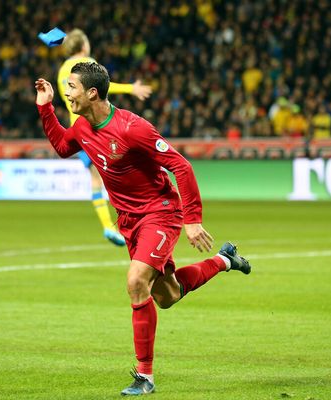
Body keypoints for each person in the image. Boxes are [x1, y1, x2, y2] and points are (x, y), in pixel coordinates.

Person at [34, 61, 252, 396]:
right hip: (129, 222)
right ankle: (225, 260)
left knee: (136, 281)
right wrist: (46, 107)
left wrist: (192, 219)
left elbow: (181, 164)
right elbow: (64, 148)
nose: (67, 92)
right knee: (168, 295)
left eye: (72, 87)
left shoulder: (132, 128)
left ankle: (144, 377)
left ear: (92, 93)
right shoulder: (80, 126)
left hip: (160, 213)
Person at [58, 29, 153, 247]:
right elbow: (101, 86)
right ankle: (132, 219)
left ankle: (107, 225)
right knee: (121, 169)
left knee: (96, 179)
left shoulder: (63, 69)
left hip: (78, 131)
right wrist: (131, 88)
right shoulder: (86, 63)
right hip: (97, 127)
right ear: (83, 45)